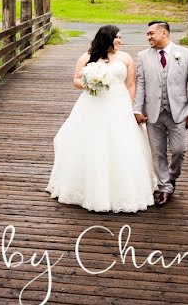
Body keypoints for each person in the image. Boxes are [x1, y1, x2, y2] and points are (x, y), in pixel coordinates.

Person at [45, 25, 156, 213]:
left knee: (122, 145)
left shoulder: (126, 58)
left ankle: (125, 190)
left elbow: (130, 85)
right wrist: (89, 83)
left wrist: (131, 107)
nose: (120, 41)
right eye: (117, 37)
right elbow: (75, 80)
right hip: (94, 104)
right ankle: (91, 190)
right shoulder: (88, 56)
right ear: (106, 38)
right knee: (93, 143)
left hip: (119, 105)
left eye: (120, 37)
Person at [133, 20, 188, 207]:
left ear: (164, 33)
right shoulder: (143, 56)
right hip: (153, 112)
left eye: (151, 33)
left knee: (179, 150)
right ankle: (164, 187)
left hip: (179, 112)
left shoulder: (186, 55)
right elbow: (141, 84)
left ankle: (172, 177)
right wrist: (137, 109)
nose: (148, 37)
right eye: (147, 34)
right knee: (158, 153)